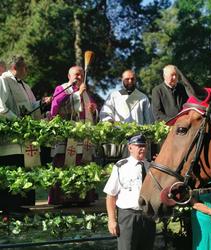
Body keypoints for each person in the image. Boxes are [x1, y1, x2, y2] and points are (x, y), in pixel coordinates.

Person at [0, 55, 51, 211]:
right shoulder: (4, 80)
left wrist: (42, 103)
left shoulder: (25, 86)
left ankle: (22, 204)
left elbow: (30, 108)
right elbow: (1, 107)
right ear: (16, 67)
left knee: (25, 168)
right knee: (14, 168)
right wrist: (17, 122)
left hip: (25, 136)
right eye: (25, 67)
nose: (27, 70)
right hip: (12, 138)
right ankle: (10, 206)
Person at [48, 65, 98, 205]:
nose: (79, 77)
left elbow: (92, 113)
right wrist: (77, 95)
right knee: (64, 165)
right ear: (69, 76)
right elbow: (56, 106)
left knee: (83, 165)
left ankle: (83, 198)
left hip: (83, 138)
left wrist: (93, 110)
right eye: (76, 74)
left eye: (81, 74)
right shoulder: (62, 88)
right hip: (67, 136)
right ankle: (63, 199)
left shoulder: (86, 92)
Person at [103, 134, 156, 250]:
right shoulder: (121, 166)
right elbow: (111, 195)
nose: (142, 148)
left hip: (148, 216)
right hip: (128, 216)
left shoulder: (152, 167)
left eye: (144, 146)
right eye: (138, 146)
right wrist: (112, 220)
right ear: (130, 147)